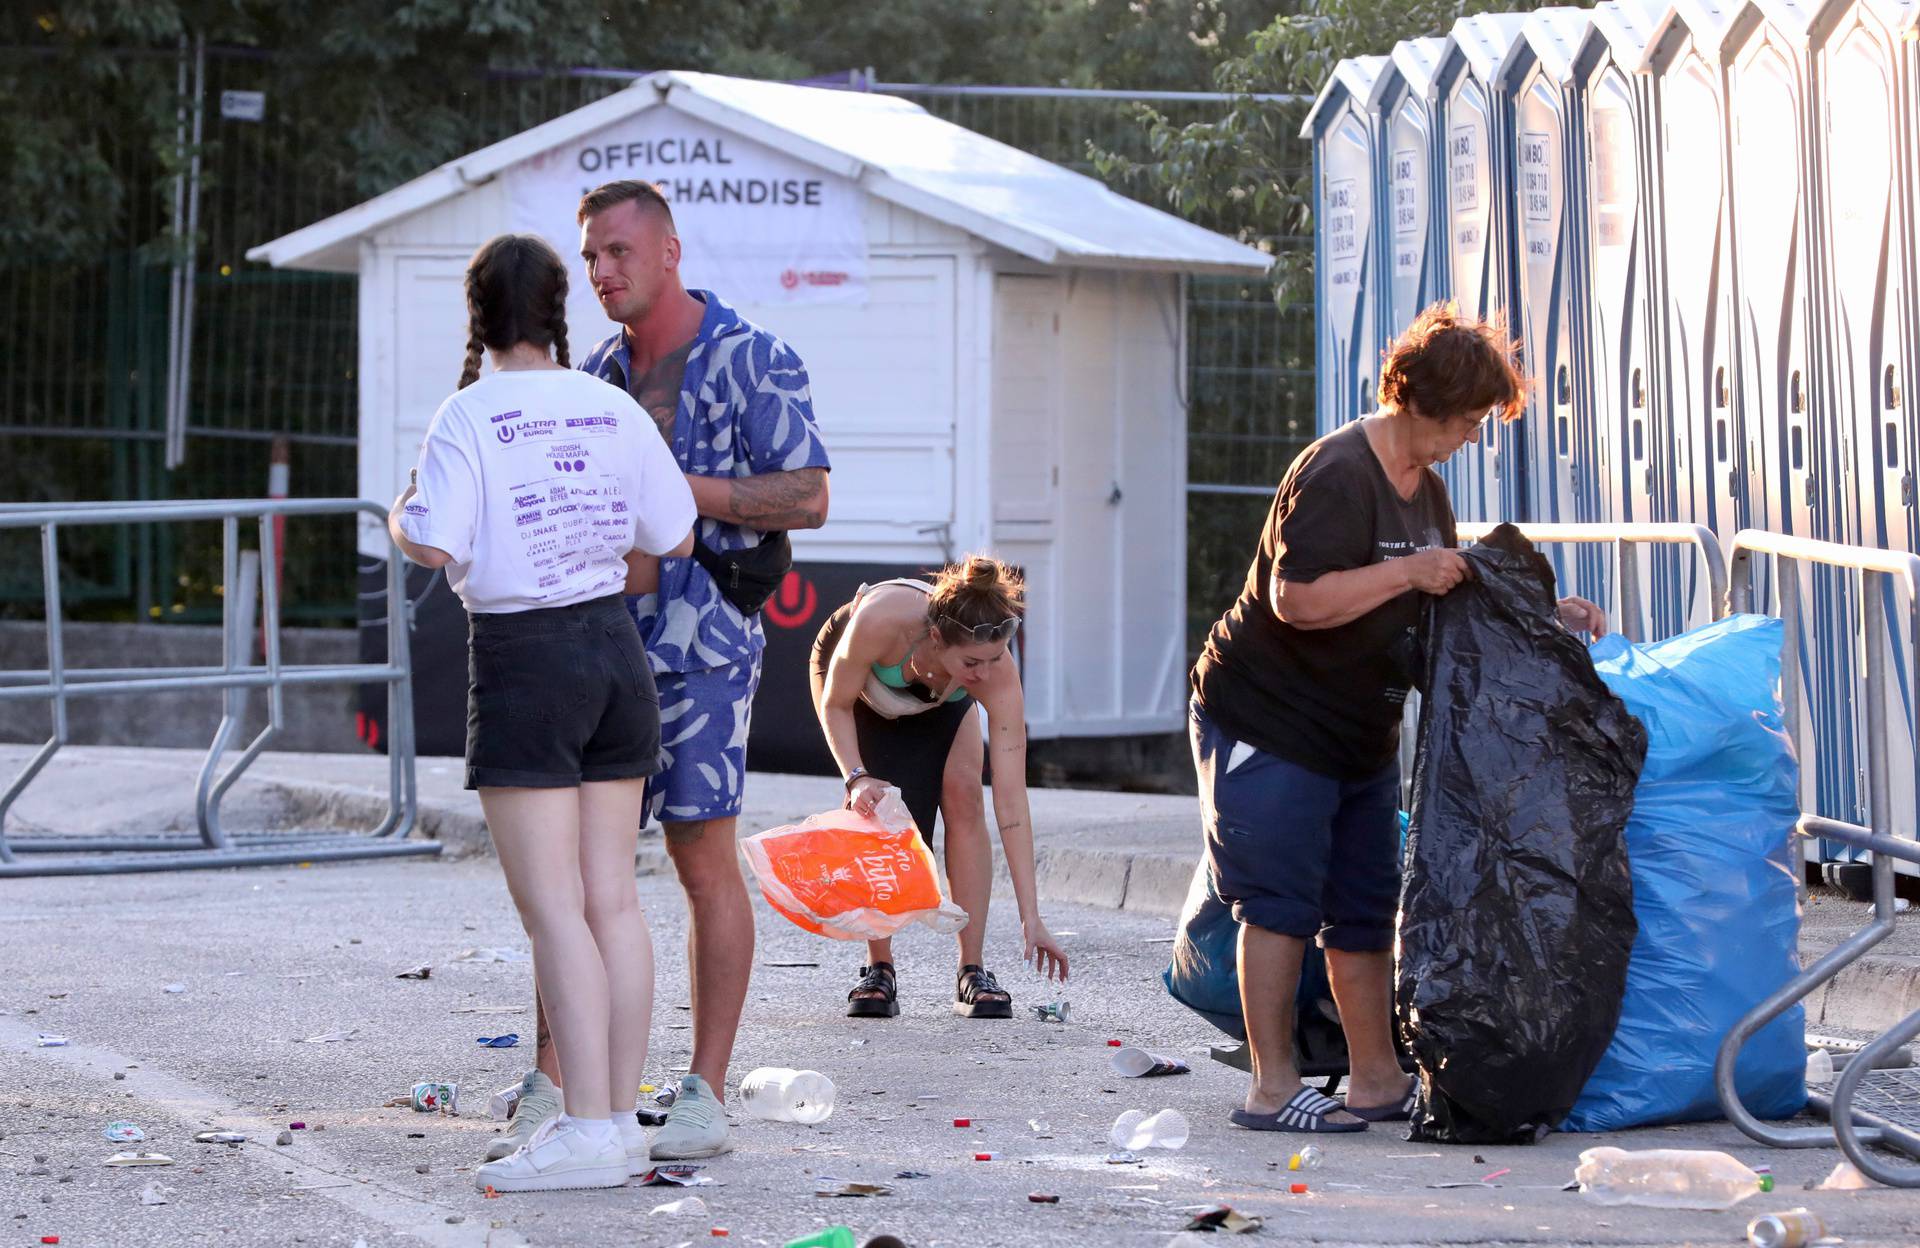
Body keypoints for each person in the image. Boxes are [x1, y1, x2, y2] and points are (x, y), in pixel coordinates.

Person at [1188, 304, 1607, 1135]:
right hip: (1269, 720)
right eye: (1464, 418)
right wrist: (1411, 570)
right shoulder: (1339, 471)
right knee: (1276, 904)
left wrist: (1544, 619)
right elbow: (1297, 600)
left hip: (1360, 731)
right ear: (1418, 399)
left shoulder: (1430, 492)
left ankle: (1376, 1079)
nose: (1470, 435)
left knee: (1366, 902)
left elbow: (1441, 608)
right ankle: (1272, 1089)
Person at [488, 179, 832, 1165]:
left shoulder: (751, 357)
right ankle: (556, 1083)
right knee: (572, 879)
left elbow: (808, 494)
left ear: (670, 251)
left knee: (701, 860)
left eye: (619, 253)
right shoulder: (589, 375)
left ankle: (705, 1093)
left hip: (706, 655)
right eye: (590, 257)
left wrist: (678, 491)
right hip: (592, 649)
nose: (602, 272)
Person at [388, 233, 696, 1190]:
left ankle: (588, 1127)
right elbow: (676, 530)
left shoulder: (468, 413)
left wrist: (401, 513)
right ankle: (622, 1123)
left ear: (477, 315)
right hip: (616, 649)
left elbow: (433, 543)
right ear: (561, 309)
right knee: (612, 899)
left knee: (554, 908)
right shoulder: (610, 404)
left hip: (525, 658)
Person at [808, 555, 1070, 1020]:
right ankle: (878, 968)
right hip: (857, 689)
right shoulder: (883, 619)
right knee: (874, 806)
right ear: (935, 638)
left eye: (994, 659)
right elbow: (836, 704)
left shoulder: (990, 669)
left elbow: (1010, 803)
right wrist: (856, 776)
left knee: (965, 795)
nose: (985, 674)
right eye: (973, 662)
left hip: (937, 696)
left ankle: (972, 970)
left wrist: (1032, 915)